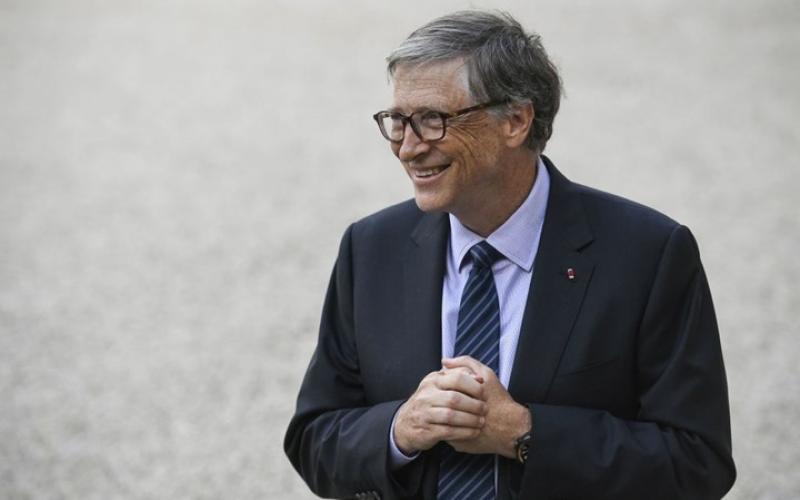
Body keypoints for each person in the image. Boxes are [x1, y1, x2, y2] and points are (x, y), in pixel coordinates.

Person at [284, 10, 735, 500]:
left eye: (433, 120)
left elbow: (698, 465)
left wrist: (524, 433)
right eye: (398, 121)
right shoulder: (371, 248)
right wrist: (398, 430)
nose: (408, 148)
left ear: (516, 121)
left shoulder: (648, 255)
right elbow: (313, 439)